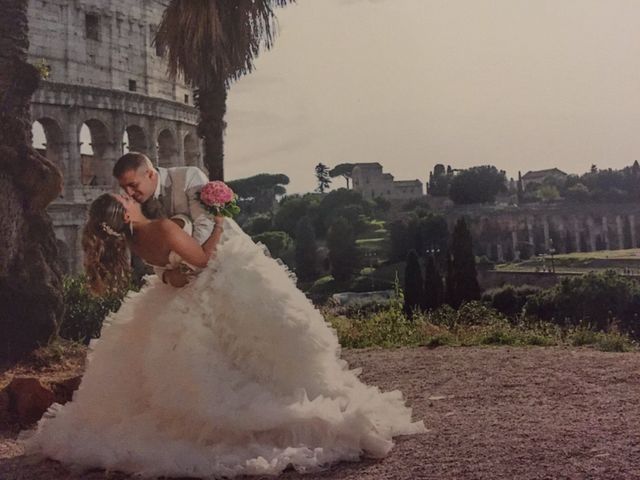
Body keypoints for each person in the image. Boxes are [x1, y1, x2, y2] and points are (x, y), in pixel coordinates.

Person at [23, 192, 426, 478]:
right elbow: (201, 259)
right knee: (246, 354)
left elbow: (169, 270)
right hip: (207, 292)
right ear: (124, 213)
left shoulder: (136, 242)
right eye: (124, 200)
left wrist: (173, 269)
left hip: (172, 303)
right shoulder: (160, 226)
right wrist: (216, 223)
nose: (130, 198)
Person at [113, 151, 213, 286]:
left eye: (133, 185)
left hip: (214, 254)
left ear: (150, 174)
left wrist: (185, 268)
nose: (129, 193)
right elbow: (148, 245)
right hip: (177, 275)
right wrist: (165, 275)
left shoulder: (189, 176)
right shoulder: (132, 203)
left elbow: (205, 224)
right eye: (124, 187)